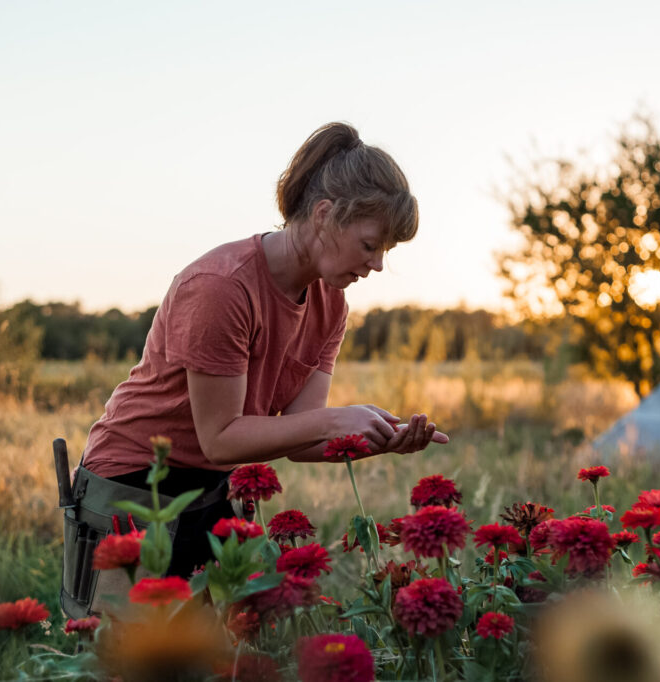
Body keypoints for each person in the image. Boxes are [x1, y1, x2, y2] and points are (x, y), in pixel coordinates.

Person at [77, 121, 449, 580]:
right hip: (135, 482)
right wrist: (338, 419)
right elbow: (220, 439)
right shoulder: (222, 287)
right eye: (370, 245)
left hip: (211, 484)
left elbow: (300, 438)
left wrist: (377, 439)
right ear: (324, 215)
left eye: (385, 250)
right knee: (131, 628)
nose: (377, 265)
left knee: (217, 624)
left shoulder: (331, 304)